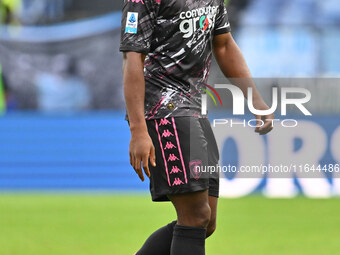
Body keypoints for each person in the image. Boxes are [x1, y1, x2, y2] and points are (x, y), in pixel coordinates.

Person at [120, 0, 274, 254]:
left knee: (206, 221)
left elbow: (223, 45)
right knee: (196, 215)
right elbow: (132, 58)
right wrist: (138, 130)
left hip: (193, 105)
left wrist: (256, 100)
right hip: (162, 108)